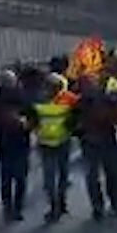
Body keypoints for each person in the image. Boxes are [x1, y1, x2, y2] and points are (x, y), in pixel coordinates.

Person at [72, 71, 117, 220]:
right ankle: (103, 206)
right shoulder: (83, 103)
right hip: (98, 141)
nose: (87, 87)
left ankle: (104, 206)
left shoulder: (86, 102)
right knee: (99, 176)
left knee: (104, 176)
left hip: (98, 141)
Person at [32, 72, 79, 222]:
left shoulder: (38, 99)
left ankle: (56, 206)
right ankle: (59, 204)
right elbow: (78, 115)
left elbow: (32, 119)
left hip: (47, 142)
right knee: (60, 176)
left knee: (51, 177)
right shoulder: (69, 99)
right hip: (61, 142)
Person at [0, 70, 36, 223]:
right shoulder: (22, 97)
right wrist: (26, 124)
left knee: (8, 177)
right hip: (18, 141)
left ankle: (10, 207)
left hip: (8, 141)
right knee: (18, 177)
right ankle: (15, 207)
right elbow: (33, 117)